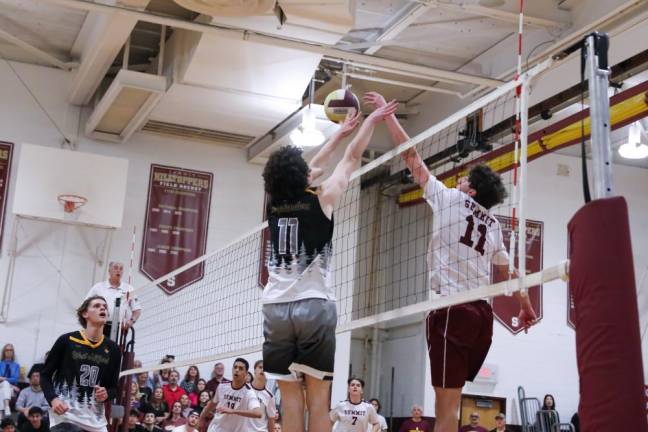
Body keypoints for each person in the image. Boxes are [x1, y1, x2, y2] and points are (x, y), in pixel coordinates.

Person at [363, 92, 537, 432]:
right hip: (481, 318)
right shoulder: (493, 225)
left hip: (450, 312)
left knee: (444, 412)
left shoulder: (449, 198)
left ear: (470, 191)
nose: (460, 181)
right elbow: (508, 274)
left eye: (466, 180)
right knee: (453, 406)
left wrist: (388, 117)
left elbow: (411, 155)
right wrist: (526, 304)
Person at [261, 98, 398, 432]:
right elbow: (351, 159)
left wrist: (338, 134)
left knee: (290, 401)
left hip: (275, 308)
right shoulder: (322, 198)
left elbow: (312, 166)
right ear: (303, 176)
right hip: (314, 306)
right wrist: (370, 122)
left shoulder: (275, 204)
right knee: (319, 402)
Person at [40, 295, 121, 432]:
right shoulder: (67, 340)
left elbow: (113, 388)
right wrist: (53, 399)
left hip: (96, 422)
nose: (102, 308)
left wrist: (106, 393)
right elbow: (45, 375)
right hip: (65, 417)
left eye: (105, 307)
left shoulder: (113, 349)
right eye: (96, 306)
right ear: (85, 314)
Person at [199, 358, 262, 432]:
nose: (237, 370)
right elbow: (212, 404)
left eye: (241, 368)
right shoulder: (222, 386)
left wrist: (233, 411)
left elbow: (258, 413)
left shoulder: (249, 392)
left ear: (246, 373)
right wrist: (202, 417)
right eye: (235, 367)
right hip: (216, 429)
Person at [85, 261, 142, 338]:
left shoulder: (129, 288)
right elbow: (85, 305)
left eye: (121, 269)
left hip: (119, 328)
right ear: (109, 271)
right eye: (115, 268)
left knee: (114, 349)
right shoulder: (98, 287)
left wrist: (131, 321)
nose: (118, 270)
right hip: (100, 325)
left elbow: (137, 310)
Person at [249, 360, 278, 432]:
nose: (262, 370)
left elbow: (271, 420)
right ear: (254, 371)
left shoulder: (270, 396)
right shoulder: (244, 389)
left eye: (265, 369)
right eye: (260, 367)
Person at [0, 343, 20, 418]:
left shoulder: (16, 365)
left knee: (2, 391)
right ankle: (6, 406)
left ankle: (0, 419)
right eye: (7, 350)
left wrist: (4, 379)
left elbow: (15, 379)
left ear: (13, 352)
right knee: (4, 385)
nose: (9, 351)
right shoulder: (0, 364)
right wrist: (8, 382)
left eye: (11, 350)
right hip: (3, 386)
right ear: (4, 352)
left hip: (10, 389)